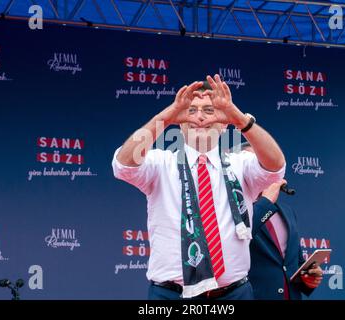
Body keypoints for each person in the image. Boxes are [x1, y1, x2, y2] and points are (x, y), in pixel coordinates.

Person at [112, 75, 286, 300]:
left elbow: (276, 166)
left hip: (233, 294)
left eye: (209, 110)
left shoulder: (241, 164)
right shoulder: (160, 164)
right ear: (180, 122)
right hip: (171, 295)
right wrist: (165, 118)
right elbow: (123, 165)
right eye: (191, 111)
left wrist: (239, 118)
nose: (200, 117)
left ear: (224, 124)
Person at [243, 143, 323, 300]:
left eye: (266, 164)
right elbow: (238, 237)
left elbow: (292, 263)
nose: (262, 170)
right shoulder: (230, 208)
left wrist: (308, 278)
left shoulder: (286, 211)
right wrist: (265, 202)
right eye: (254, 164)